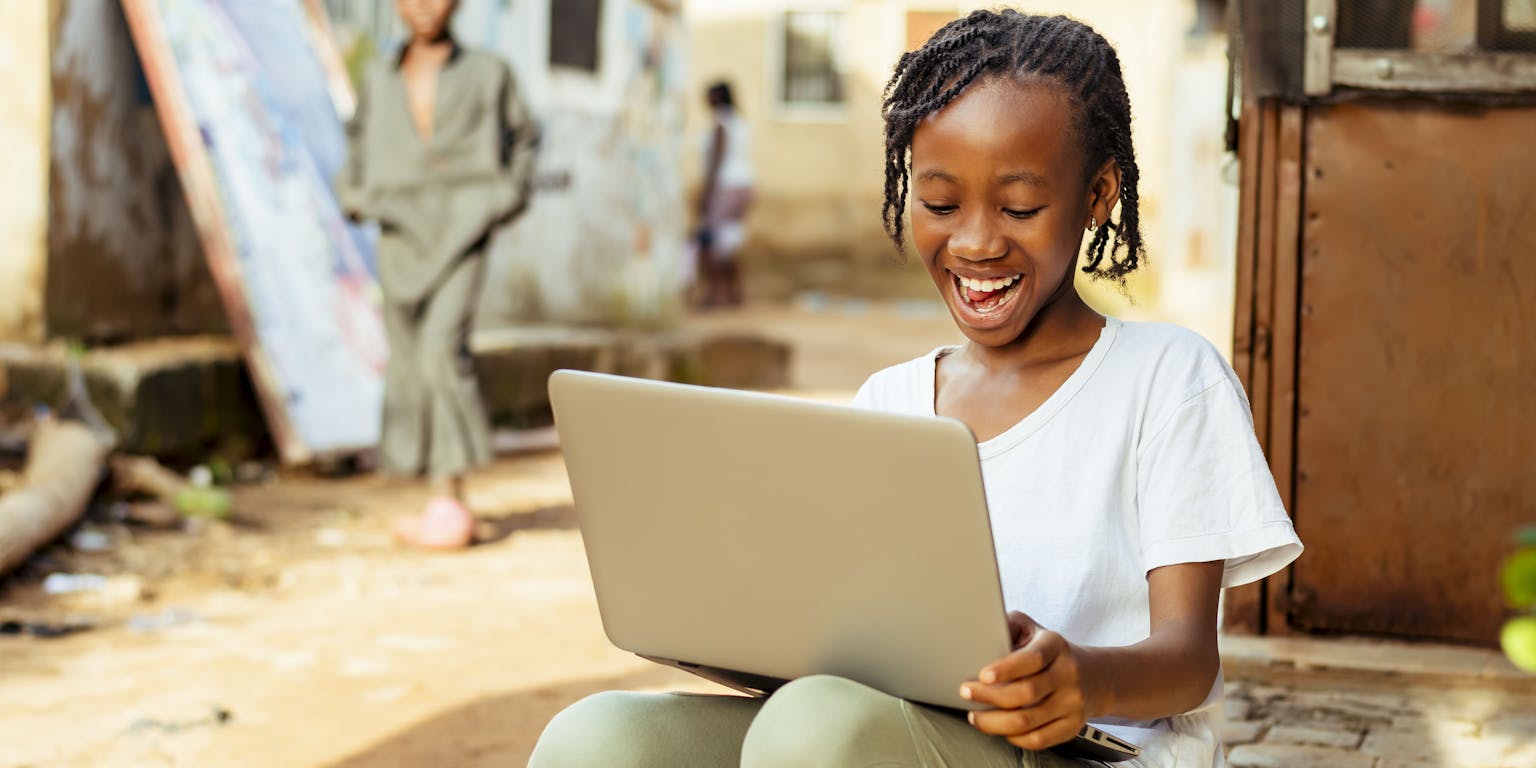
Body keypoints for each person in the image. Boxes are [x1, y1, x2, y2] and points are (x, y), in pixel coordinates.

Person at [528, 11, 1301, 767]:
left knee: (815, 730)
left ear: (1099, 194)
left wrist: (1083, 679)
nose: (977, 241)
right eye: (939, 204)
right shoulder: (888, 403)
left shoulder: (1168, 378)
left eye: (1020, 207)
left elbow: (1189, 660)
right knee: (597, 739)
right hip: (883, 730)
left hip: (1087, 752)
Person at [335, 0, 536, 550]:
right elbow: (356, 145)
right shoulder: (378, 77)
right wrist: (355, 196)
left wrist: (502, 198)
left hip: (463, 231)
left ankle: (451, 497)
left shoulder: (489, 73)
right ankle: (434, 494)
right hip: (400, 232)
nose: (424, 5)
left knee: (441, 352)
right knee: (407, 358)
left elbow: (525, 141)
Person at [693, 80, 755, 308]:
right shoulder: (739, 121)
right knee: (728, 241)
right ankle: (737, 292)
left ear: (718, 97)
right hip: (745, 184)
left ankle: (715, 293)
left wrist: (706, 192)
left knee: (711, 242)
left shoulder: (720, 123)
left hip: (726, 186)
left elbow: (717, 160)